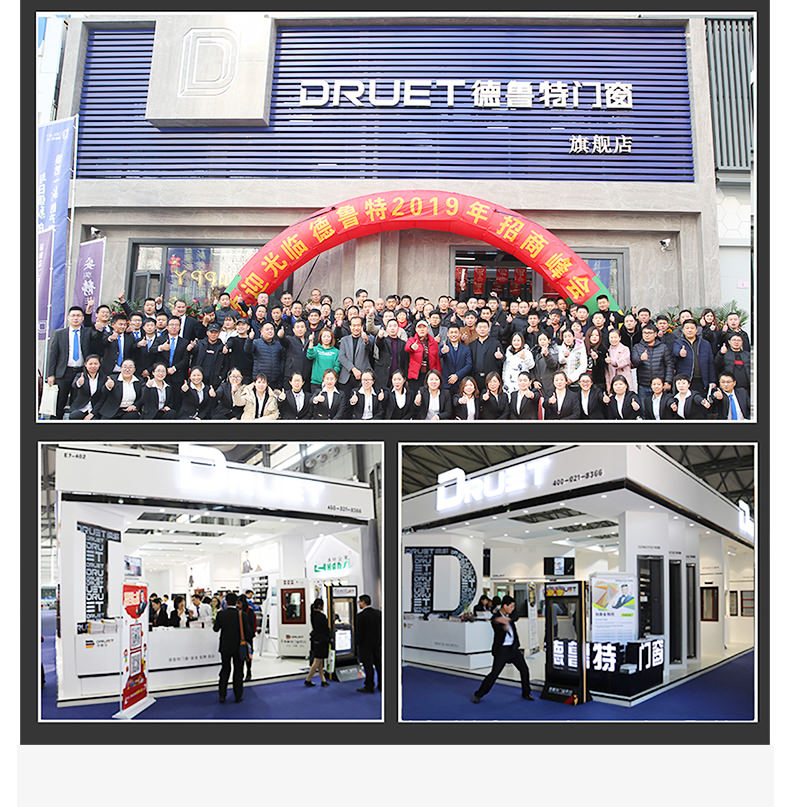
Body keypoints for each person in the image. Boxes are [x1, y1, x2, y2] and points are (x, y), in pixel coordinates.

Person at [472, 595, 533, 704]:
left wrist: (507, 620)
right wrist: (501, 623)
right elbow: (494, 621)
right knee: (494, 674)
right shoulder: (495, 617)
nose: (513, 608)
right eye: (511, 606)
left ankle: (526, 693)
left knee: (524, 670)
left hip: (513, 649)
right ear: (505, 606)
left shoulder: (511, 614)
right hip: (502, 651)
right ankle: (478, 694)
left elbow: (516, 616)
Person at [46, 305, 96, 418]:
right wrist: (51, 374)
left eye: (78, 316)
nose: (76, 318)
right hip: (63, 373)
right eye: (73, 316)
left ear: (82, 318)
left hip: (81, 372)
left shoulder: (87, 333)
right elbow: (53, 355)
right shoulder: (59, 334)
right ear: (68, 318)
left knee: (77, 403)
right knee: (59, 403)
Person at [213, 591, 254, 703]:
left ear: (226, 602)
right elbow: (248, 632)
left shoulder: (221, 614)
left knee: (225, 670)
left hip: (225, 646)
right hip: (238, 647)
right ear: (236, 602)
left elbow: (215, 629)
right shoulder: (242, 615)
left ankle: (222, 695)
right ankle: (238, 696)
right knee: (238, 671)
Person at [673, 319, 715, 395]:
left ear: (696, 330)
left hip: (702, 380)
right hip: (685, 381)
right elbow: (675, 351)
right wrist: (680, 353)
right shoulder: (678, 342)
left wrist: (712, 381)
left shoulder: (705, 344)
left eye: (692, 328)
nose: (689, 330)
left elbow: (711, 363)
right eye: (687, 328)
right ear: (683, 330)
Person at [631, 323, 672, 398]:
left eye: (649, 333)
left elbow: (669, 365)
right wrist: (640, 359)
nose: (647, 335)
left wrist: (668, 381)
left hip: (659, 385)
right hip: (643, 385)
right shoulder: (637, 347)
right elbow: (634, 363)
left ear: (655, 334)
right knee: (644, 405)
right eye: (645, 333)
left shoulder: (663, 347)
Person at [338, 316, 373, 394]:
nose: (356, 328)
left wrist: (366, 340)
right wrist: (353, 369)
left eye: (358, 325)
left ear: (362, 327)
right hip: (346, 377)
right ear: (350, 327)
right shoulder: (344, 340)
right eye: (354, 325)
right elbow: (341, 357)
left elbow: (369, 348)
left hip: (362, 376)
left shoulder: (367, 338)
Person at [67, 354, 109, 419]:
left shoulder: (104, 378)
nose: (93, 366)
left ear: (99, 364)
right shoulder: (80, 376)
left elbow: (102, 398)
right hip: (81, 407)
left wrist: (92, 413)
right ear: (86, 364)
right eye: (90, 364)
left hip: (96, 409)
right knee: (74, 416)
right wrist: (79, 383)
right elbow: (74, 385)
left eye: (95, 364)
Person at [355, 594, 382, 693]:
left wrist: (357, 644)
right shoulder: (379, 614)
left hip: (365, 645)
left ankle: (369, 686)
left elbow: (359, 632)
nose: (359, 604)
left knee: (368, 666)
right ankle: (381, 684)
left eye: (359, 602)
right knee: (379, 665)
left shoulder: (360, 616)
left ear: (363, 602)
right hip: (377, 644)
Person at [405, 319, 441, 388]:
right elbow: (407, 348)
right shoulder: (412, 340)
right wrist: (412, 347)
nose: (422, 330)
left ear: (428, 329)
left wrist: (438, 375)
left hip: (429, 373)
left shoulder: (433, 342)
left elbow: (437, 360)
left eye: (424, 327)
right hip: (416, 374)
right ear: (416, 329)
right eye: (419, 327)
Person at [439, 324, 473, 394]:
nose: (453, 335)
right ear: (447, 334)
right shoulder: (443, 347)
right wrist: (443, 352)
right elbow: (439, 355)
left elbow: (469, 365)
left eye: (455, 332)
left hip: (461, 383)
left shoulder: (466, 348)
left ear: (459, 334)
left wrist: (457, 375)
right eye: (451, 332)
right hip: (447, 384)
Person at [305, 598, 331, 688]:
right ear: (320, 606)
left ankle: (323, 680)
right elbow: (325, 629)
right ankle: (308, 679)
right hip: (321, 641)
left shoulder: (313, 614)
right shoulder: (321, 616)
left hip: (316, 639)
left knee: (320, 661)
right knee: (317, 661)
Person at [306, 327, 341, 393]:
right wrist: (311, 342)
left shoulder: (336, 351)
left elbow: (337, 367)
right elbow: (310, 356)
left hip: (330, 383)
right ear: (320, 338)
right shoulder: (316, 349)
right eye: (324, 336)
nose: (326, 338)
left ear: (331, 338)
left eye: (328, 336)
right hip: (316, 383)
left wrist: (329, 379)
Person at [239, 594, 257, 681]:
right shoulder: (249, 610)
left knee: (244, 654)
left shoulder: (243, 611)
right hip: (248, 636)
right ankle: (247, 672)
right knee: (247, 654)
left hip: (243, 636)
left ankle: (246, 672)